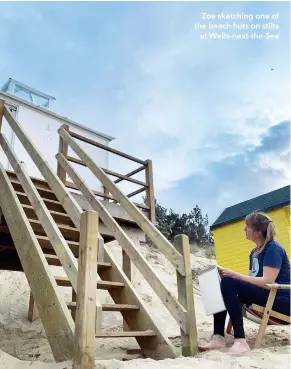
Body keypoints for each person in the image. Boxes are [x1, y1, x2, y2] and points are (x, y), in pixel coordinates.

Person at [198, 211, 290, 356]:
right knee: (217, 282)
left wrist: (233, 274)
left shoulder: (273, 248)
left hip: (280, 301)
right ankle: (218, 337)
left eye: (247, 226)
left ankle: (240, 341)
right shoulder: (254, 252)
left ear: (258, 232)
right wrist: (225, 274)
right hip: (265, 295)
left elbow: (268, 281)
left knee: (229, 281)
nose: (244, 229)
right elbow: (251, 281)